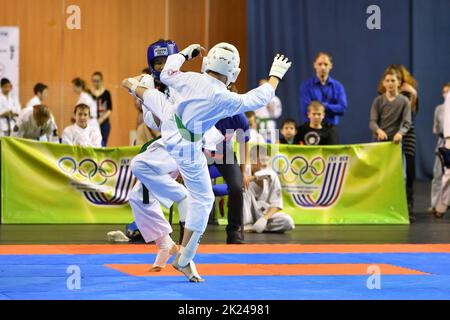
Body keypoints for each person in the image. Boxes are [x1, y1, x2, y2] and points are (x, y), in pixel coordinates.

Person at [122, 42, 292, 282]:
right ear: (233, 73)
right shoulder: (225, 97)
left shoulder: (189, 77)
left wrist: (184, 54)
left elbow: (168, 71)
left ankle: (133, 87)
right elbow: (259, 97)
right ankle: (184, 258)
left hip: (172, 123)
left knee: (147, 96)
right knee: (204, 199)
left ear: (207, 63)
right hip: (187, 146)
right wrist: (275, 76)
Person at [369, 66, 413, 221]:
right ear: (383, 83)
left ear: (399, 83)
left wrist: (400, 133)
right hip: (380, 144)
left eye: (393, 80)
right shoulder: (378, 101)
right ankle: (379, 207)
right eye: (387, 80)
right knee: (380, 176)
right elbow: (372, 122)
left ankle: (399, 208)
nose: (390, 83)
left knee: (401, 177)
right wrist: (379, 130)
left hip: (395, 145)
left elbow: (407, 122)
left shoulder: (404, 101)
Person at [208, 112, 250, 244]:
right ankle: (187, 231)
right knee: (192, 188)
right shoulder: (205, 107)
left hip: (225, 153)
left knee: (237, 188)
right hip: (201, 151)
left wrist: (243, 172)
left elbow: (244, 143)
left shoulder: (238, 116)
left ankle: (233, 232)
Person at [243, 145, 295, 233]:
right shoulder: (244, 172)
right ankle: (247, 225)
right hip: (245, 215)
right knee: (243, 189)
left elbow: (277, 204)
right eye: (262, 160)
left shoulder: (272, 175)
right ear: (252, 160)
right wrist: (248, 178)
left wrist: (264, 219)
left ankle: (256, 228)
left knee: (288, 222)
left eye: (267, 160)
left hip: (263, 213)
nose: (265, 163)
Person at [299, 52, 347, 144]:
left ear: (331, 66)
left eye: (326, 64)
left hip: (330, 129)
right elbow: (306, 109)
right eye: (320, 64)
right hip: (310, 129)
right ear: (314, 65)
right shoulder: (306, 86)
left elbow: (342, 108)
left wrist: (321, 107)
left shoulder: (338, 86)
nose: (323, 67)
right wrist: (330, 107)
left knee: (332, 156)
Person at [393, 65, 419, 221]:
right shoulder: (384, 92)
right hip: (391, 133)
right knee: (392, 170)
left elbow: (412, 111)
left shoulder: (410, 91)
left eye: (398, 78)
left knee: (409, 169)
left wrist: (413, 94)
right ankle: (393, 204)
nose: (394, 82)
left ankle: (409, 205)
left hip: (407, 132)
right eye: (390, 79)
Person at [429, 83, 450, 214]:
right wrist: (447, 138)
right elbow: (437, 126)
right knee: (442, 173)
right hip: (445, 140)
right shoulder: (441, 107)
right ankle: (439, 204)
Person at [255, 77, 282, 143]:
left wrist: (272, 109)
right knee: (258, 143)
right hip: (258, 123)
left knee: (271, 143)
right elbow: (252, 113)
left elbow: (277, 114)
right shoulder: (255, 98)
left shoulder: (274, 99)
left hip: (269, 124)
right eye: (260, 85)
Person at [90, 72, 113, 146]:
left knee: (103, 143)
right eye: (94, 81)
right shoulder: (89, 93)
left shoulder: (106, 93)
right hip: (92, 122)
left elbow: (109, 109)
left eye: (97, 80)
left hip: (104, 122)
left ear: (101, 81)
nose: (96, 83)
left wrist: (102, 119)